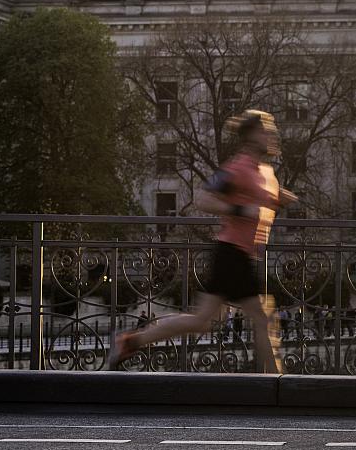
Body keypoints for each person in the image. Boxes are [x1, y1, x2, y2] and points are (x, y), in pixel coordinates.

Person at [107, 110, 297, 372]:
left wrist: (280, 199)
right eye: (267, 130)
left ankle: (132, 341)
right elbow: (204, 199)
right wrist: (240, 211)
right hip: (232, 253)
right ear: (252, 135)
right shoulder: (238, 167)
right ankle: (276, 385)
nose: (273, 135)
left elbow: (261, 200)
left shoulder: (265, 171)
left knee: (203, 321)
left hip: (240, 254)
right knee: (262, 318)